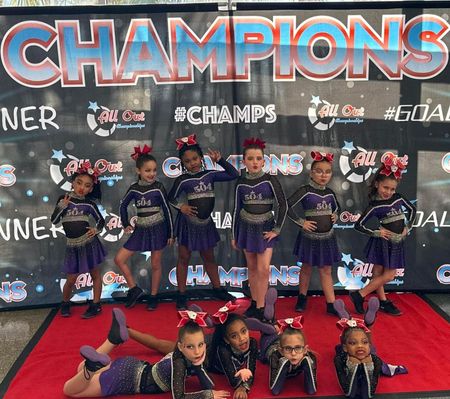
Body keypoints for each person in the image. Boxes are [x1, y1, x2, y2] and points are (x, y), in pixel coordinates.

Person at [125, 298, 277, 399]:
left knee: (265, 349)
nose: (242, 338)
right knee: (160, 345)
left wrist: (245, 385)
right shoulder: (223, 350)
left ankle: (268, 321)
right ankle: (126, 330)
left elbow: (251, 368)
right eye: (234, 336)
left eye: (244, 332)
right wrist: (242, 386)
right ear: (227, 339)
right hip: (204, 348)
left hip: (210, 342)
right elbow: (232, 378)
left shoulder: (251, 342)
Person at [63, 309, 230, 398]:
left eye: (201, 345)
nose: (198, 351)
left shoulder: (185, 355)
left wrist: (199, 366)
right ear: (180, 346)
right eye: (191, 347)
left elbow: (209, 383)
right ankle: (91, 367)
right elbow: (179, 396)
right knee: (69, 390)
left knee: (79, 368)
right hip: (125, 379)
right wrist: (207, 395)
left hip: (131, 365)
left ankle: (112, 340)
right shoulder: (179, 362)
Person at [168, 134, 239, 309]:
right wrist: (181, 207)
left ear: (201, 158)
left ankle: (217, 289)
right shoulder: (182, 180)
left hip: (205, 223)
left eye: (194, 158)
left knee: (209, 257)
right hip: (188, 224)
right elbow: (170, 198)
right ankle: (181, 294)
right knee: (184, 258)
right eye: (187, 161)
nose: (192, 163)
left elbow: (234, 174)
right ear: (182, 164)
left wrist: (220, 160)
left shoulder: (210, 175)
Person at [351, 153, 416, 316]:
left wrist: (408, 226)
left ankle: (382, 301)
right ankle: (360, 295)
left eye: (392, 189)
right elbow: (358, 225)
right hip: (383, 242)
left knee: (379, 274)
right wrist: (376, 233)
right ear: (377, 184)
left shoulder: (398, 198)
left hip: (396, 241)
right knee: (387, 274)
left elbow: (413, 209)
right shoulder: (374, 206)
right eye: (385, 188)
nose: (388, 192)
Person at [232, 137, 287, 320]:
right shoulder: (241, 182)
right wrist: (234, 235)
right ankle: (255, 304)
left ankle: (263, 308)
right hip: (246, 228)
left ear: (264, 161)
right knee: (253, 268)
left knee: (264, 269)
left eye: (258, 159)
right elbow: (235, 209)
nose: (254, 162)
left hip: (266, 228)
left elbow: (282, 205)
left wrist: (277, 230)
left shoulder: (270, 180)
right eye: (250, 159)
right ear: (244, 161)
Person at [115, 145, 174, 310]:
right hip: (140, 230)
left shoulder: (159, 187)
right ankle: (134, 289)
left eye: (154, 170)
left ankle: (153, 296)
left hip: (158, 229)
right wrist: (126, 223)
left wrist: (170, 233)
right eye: (147, 170)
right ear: (138, 171)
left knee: (155, 264)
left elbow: (167, 210)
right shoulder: (134, 189)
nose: (152, 174)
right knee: (119, 259)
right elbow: (123, 206)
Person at [287, 151, 341, 315]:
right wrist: (301, 222)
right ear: (311, 172)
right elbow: (286, 206)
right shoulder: (305, 190)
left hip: (327, 238)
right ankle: (302, 297)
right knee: (306, 268)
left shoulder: (330, 193)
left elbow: (338, 207)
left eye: (327, 172)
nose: (323, 175)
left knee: (326, 270)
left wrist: (336, 215)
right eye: (319, 171)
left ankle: (331, 304)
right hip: (309, 237)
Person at [51, 161, 106, 319]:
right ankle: (65, 302)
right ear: (72, 183)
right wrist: (62, 206)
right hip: (72, 246)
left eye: (87, 185)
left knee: (95, 274)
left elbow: (101, 221)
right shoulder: (64, 198)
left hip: (89, 244)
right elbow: (54, 220)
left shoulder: (89, 204)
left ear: (91, 188)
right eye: (79, 183)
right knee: (71, 279)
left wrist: (96, 229)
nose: (82, 188)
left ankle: (96, 304)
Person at [334, 304, 408, 399]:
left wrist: (368, 366)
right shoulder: (340, 359)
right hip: (346, 352)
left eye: (364, 342)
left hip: (368, 353)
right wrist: (353, 366)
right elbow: (348, 392)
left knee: (372, 353)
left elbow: (369, 393)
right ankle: (348, 320)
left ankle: (368, 324)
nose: (360, 345)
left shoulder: (375, 360)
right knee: (339, 348)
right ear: (346, 347)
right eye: (353, 343)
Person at [259, 316, 317, 395]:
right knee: (268, 335)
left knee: (283, 337)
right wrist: (284, 363)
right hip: (270, 344)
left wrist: (307, 364)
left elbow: (311, 390)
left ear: (305, 350)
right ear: (281, 351)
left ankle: (273, 326)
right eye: (288, 349)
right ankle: (268, 325)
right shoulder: (275, 356)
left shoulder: (310, 357)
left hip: (283, 342)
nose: (293, 353)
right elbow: (275, 391)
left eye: (298, 348)